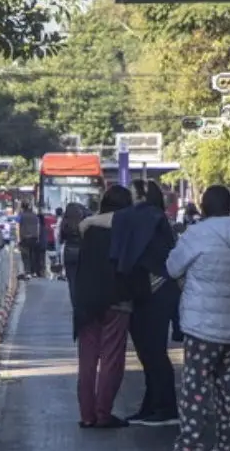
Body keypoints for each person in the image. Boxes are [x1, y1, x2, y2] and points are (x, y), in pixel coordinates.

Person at [166, 185, 230, 449]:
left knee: (195, 390)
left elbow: (172, 267)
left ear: (203, 207)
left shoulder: (197, 234)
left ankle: (191, 443)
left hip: (201, 328)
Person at [114, 180, 180, 426]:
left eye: (132, 194)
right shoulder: (153, 219)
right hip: (149, 292)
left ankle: (166, 407)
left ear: (142, 196)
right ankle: (152, 405)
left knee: (153, 352)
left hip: (155, 292)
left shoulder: (149, 217)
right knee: (148, 352)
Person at [72, 186, 137, 429]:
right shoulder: (126, 228)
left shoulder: (88, 229)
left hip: (86, 301)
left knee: (87, 360)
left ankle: (87, 415)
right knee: (111, 359)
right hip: (116, 301)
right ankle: (103, 413)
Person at [59, 203, 89, 291]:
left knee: (71, 277)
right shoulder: (85, 221)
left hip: (69, 250)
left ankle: (73, 294)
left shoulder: (66, 220)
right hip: (81, 250)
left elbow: (62, 237)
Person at [17, 201, 46, 279]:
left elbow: (17, 227)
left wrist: (18, 239)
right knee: (32, 255)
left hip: (24, 238)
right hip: (34, 238)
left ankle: (28, 272)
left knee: (25, 255)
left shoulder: (21, 216)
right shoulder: (35, 216)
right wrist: (38, 237)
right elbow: (38, 227)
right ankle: (33, 272)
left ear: (22, 207)